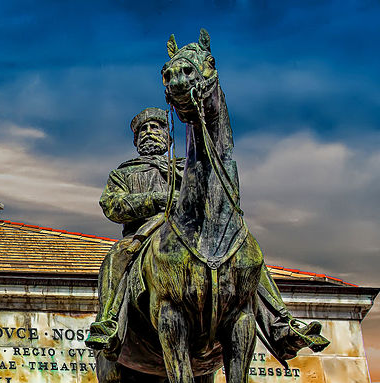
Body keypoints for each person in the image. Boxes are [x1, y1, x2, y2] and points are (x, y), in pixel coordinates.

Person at [86, 107, 329, 361]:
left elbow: (214, 197)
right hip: (145, 233)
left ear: (168, 137)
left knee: (246, 255)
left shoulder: (187, 168)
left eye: (156, 127)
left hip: (193, 232)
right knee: (117, 256)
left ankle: (280, 325)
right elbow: (112, 205)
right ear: (136, 142)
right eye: (143, 131)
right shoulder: (124, 173)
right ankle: (109, 324)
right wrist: (156, 199)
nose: (149, 133)